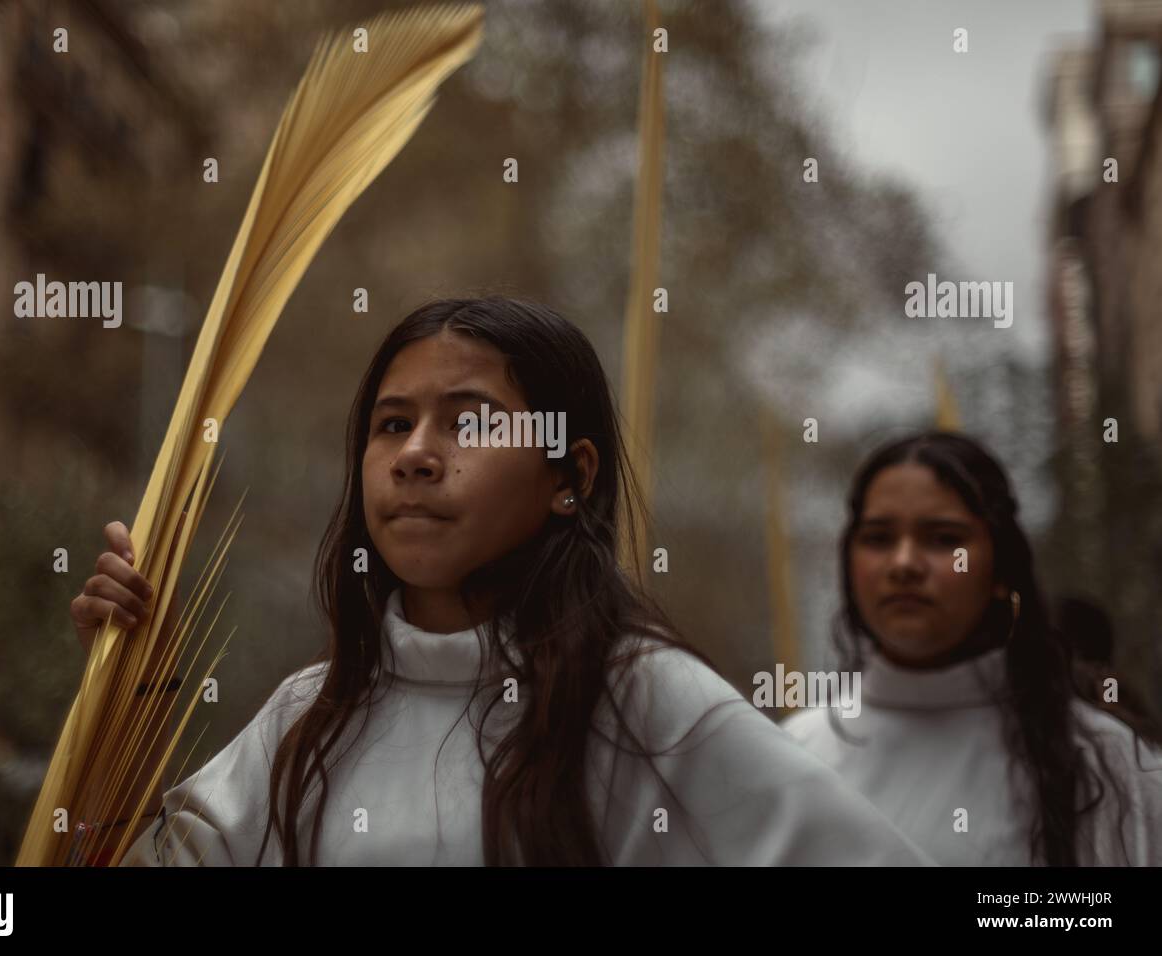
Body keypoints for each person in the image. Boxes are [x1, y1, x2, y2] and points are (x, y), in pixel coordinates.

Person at [72, 295, 927, 866]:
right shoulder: (306, 717)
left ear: (572, 475)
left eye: (469, 421)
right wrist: (127, 696)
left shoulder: (650, 706)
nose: (414, 455)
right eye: (393, 423)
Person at [783, 431, 1162, 865]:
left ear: (1001, 569)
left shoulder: (1105, 763)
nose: (904, 563)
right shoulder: (794, 755)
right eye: (879, 538)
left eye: (943, 539)